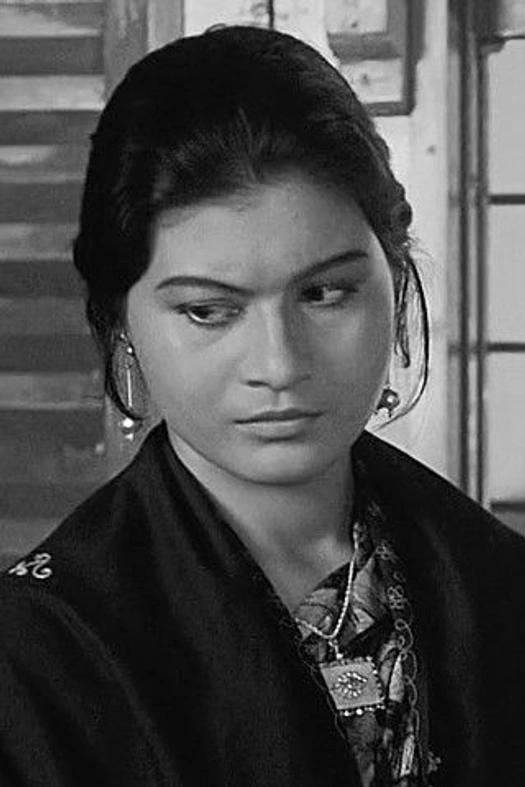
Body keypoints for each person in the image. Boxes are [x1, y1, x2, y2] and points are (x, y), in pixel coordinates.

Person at [0, 25, 524, 787]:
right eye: (208, 311)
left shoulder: (493, 584)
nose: (278, 365)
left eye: (324, 293)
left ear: (394, 277)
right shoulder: (46, 648)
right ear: (122, 324)